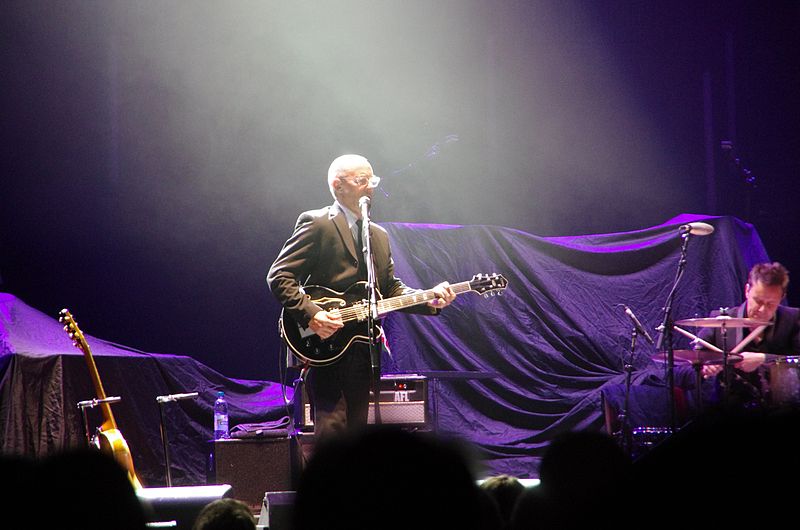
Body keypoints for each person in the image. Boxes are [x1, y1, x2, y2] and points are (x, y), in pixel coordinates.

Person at [267, 154, 456, 437]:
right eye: (361, 180)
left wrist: (427, 298)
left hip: (362, 346)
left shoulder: (378, 235)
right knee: (332, 429)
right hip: (326, 342)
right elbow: (279, 276)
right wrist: (313, 315)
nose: (370, 187)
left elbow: (389, 289)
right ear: (338, 185)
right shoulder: (318, 223)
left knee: (357, 432)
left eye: (372, 180)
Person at [698, 262, 800, 407]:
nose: (762, 310)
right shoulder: (720, 321)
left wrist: (764, 359)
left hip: (783, 408)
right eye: (758, 301)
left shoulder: (793, 319)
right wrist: (704, 368)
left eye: (770, 304)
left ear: (782, 297)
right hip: (731, 410)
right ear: (747, 290)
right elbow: (686, 366)